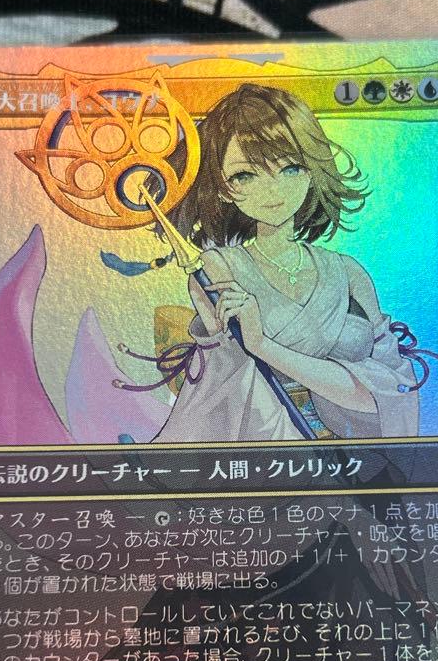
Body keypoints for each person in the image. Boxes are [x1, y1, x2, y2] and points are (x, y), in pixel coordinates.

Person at [146, 82, 423, 443]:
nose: (273, 189)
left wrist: (264, 346)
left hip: (358, 453)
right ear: (222, 188)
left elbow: (395, 391)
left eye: (290, 168)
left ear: (313, 169)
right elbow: (228, 390)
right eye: (245, 175)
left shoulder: (348, 272)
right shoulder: (216, 270)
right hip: (270, 451)